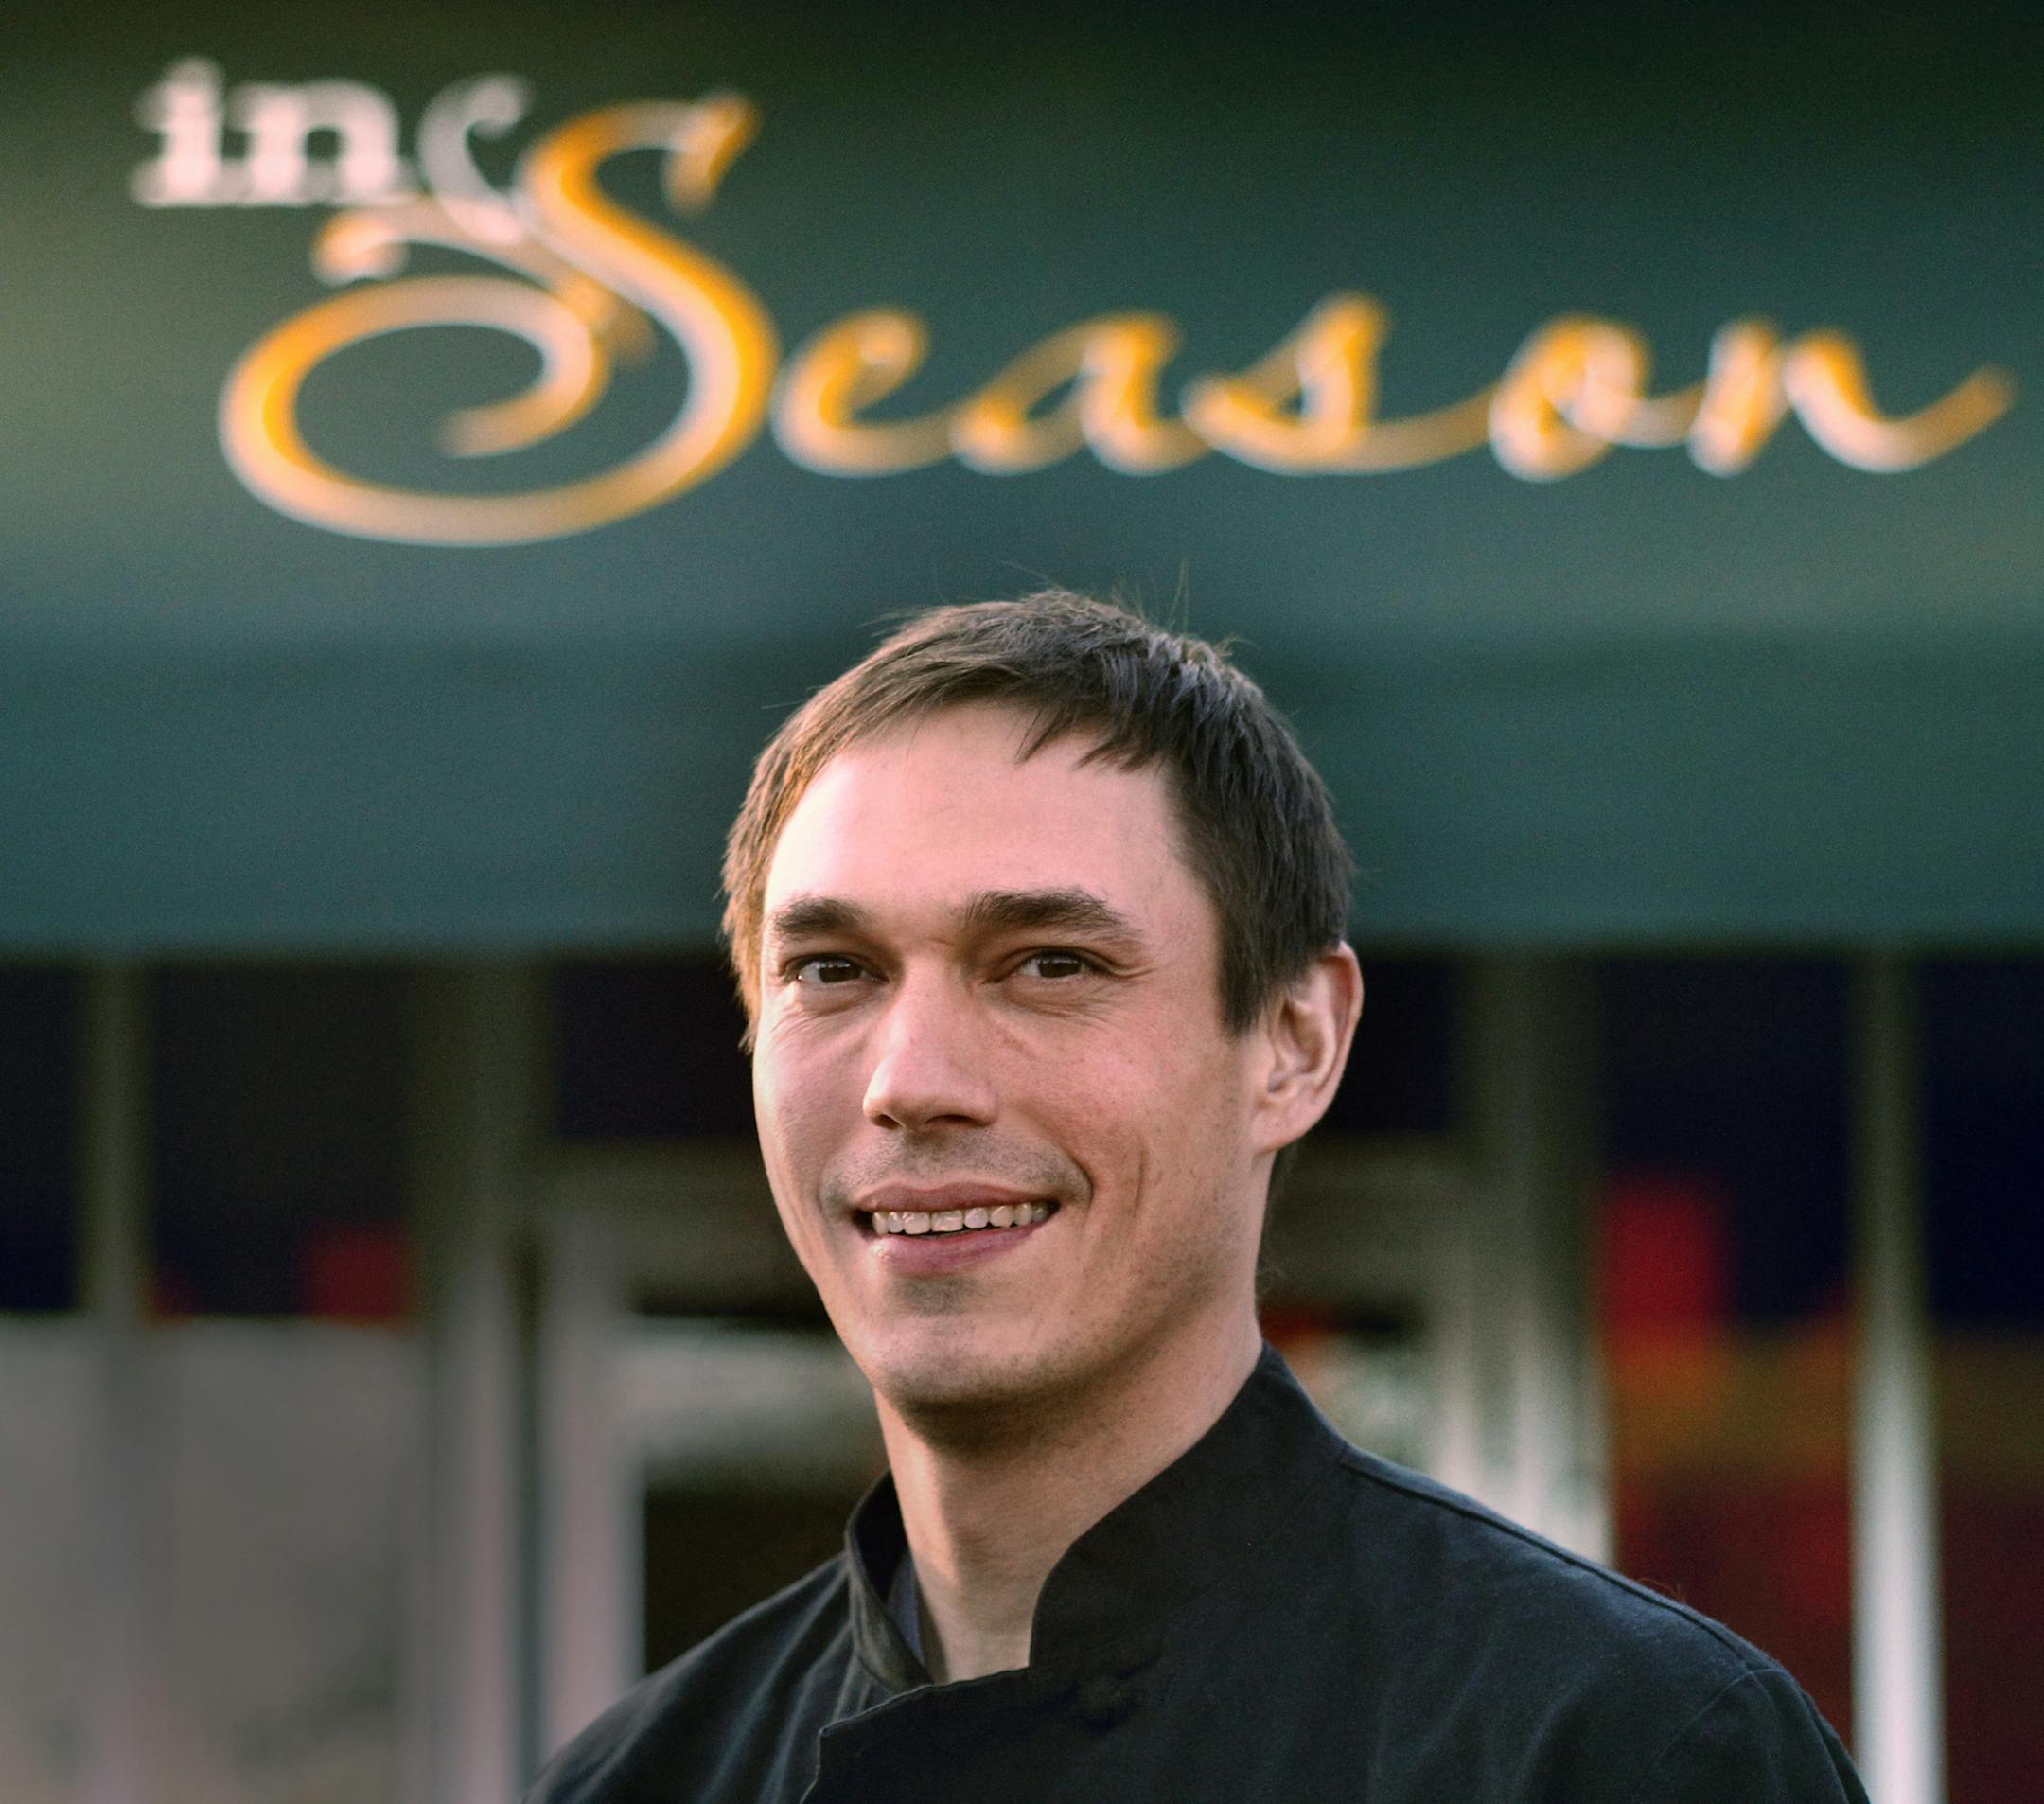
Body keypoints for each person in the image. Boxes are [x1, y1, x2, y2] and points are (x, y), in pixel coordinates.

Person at [529, 591, 1865, 1803]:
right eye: (831, 969)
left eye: (1047, 962)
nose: (909, 1080)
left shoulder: (1623, 1751)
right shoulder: (640, 1781)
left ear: (1293, 1044)